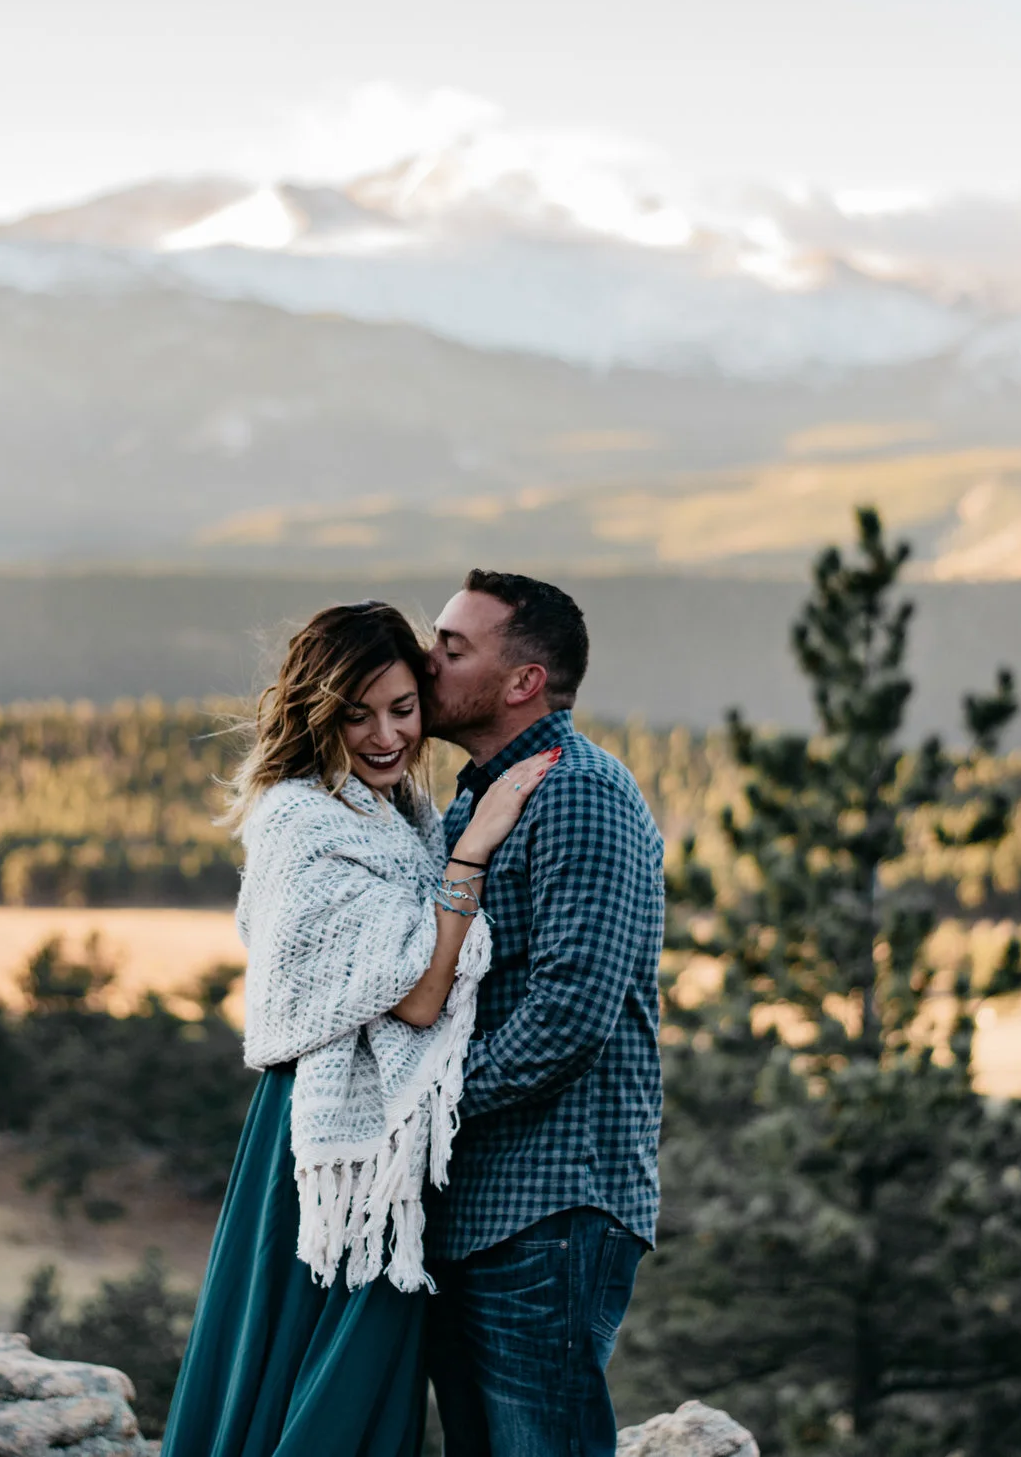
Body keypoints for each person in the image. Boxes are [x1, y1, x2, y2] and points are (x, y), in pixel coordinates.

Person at [162, 600, 559, 1457]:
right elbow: (417, 997)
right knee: (316, 1374)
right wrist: (471, 855)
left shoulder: (399, 816)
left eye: (403, 709)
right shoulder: (300, 821)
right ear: (318, 712)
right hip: (324, 1145)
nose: (384, 735)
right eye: (356, 713)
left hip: (376, 1145)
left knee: (359, 1373)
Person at [421, 571, 666, 1457]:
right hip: (476, 1204)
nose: (426, 661)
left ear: (522, 680)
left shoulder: (580, 793)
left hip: (551, 1206)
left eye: (452, 648)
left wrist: (425, 1105)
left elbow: (568, 1014)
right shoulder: (477, 800)